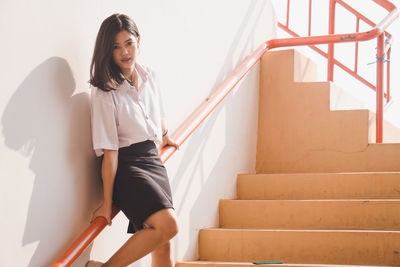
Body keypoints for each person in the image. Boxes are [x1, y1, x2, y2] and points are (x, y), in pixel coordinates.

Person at [86, 13, 179, 267]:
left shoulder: (150, 76)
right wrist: (107, 204)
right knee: (168, 226)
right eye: (115, 47)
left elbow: (154, 113)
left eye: (128, 43)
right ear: (107, 51)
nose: (124, 52)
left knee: (163, 241)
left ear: (139, 41)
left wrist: (165, 135)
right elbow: (110, 152)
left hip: (152, 160)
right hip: (126, 166)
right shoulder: (105, 91)